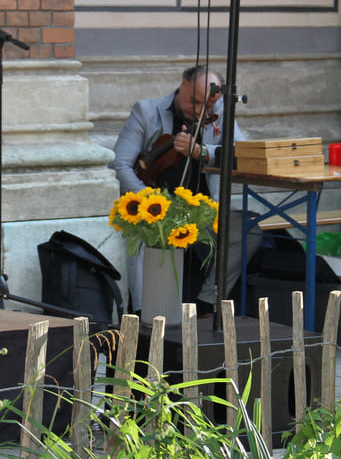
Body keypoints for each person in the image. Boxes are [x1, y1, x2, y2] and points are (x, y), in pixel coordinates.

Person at [109, 64, 256, 310]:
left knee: (248, 230)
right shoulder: (147, 111)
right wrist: (150, 202)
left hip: (203, 212)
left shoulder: (220, 111)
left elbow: (240, 155)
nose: (200, 112)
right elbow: (120, 165)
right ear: (183, 84)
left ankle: (208, 303)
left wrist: (202, 152)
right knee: (142, 236)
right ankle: (147, 313)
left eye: (207, 106)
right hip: (156, 206)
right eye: (194, 102)